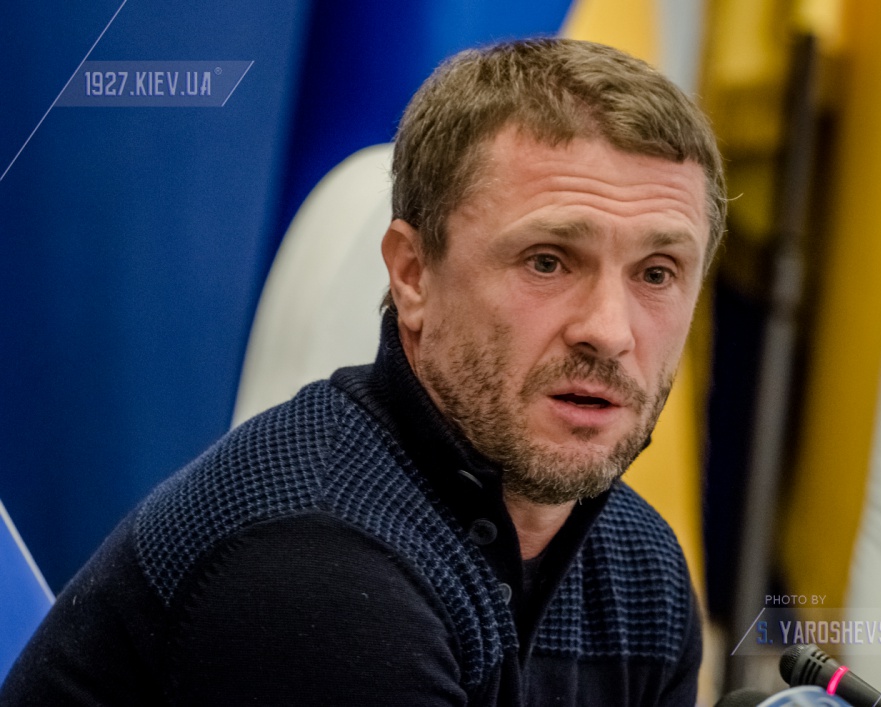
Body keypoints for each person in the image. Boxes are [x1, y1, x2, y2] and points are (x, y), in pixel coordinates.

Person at [0, 38, 726, 706]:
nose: (609, 331)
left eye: (657, 273)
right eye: (547, 261)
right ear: (412, 274)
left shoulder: (641, 572)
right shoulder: (310, 563)